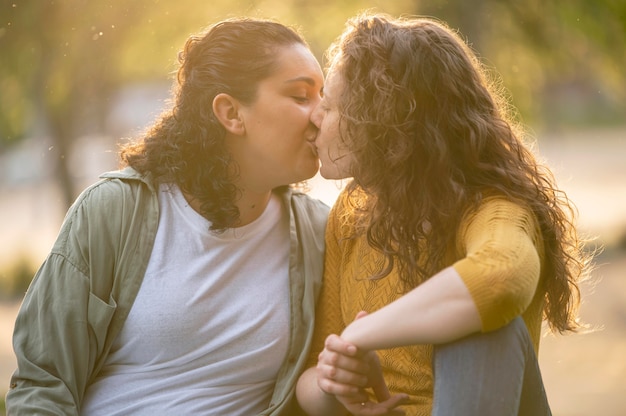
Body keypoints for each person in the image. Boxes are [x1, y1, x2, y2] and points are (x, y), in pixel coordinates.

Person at [6, 17, 328, 415]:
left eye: (324, 96)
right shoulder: (113, 213)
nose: (322, 114)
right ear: (230, 113)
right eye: (301, 96)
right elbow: (43, 384)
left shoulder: (317, 234)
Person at [296, 12, 592, 416]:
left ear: (385, 123)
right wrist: (334, 378)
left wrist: (362, 333)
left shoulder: (494, 210)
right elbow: (313, 381)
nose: (314, 116)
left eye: (329, 107)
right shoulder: (351, 214)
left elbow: (500, 278)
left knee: (481, 326)